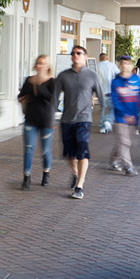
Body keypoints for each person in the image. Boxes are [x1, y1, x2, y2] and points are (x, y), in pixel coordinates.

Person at [56, 46, 105, 200]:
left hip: (84, 119)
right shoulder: (63, 76)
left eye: (79, 53)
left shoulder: (92, 76)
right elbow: (54, 98)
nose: (75, 55)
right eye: (73, 53)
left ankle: (79, 186)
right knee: (70, 155)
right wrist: (50, 116)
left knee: (82, 150)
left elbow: (101, 97)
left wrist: (104, 119)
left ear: (85, 56)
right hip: (66, 120)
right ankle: (76, 174)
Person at [17, 55, 56, 190]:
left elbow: (52, 99)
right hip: (30, 119)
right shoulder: (29, 80)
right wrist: (22, 97)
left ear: (47, 66)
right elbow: (21, 95)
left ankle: (46, 172)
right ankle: (26, 177)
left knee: (45, 150)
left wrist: (39, 87)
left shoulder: (52, 82)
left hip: (46, 120)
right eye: (38, 63)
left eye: (42, 63)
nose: (39, 66)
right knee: (28, 148)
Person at [109, 55, 140, 175]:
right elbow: (115, 101)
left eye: (127, 63)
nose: (125, 66)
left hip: (133, 117)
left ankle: (114, 160)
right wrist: (124, 114)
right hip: (120, 118)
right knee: (124, 142)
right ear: (120, 65)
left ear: (131, 65)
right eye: (122, 63)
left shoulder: (136, 79)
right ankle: (128, 167)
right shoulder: (116, 82)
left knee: (126, 142)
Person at [96, 53, 118, 132]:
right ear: (107, 58)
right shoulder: (112, 65)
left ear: (99, 58)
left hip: (100, 92)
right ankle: (108, 121)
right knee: (112, 108)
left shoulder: (96, 66)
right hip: (111, 91)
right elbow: (118, 75)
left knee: (102, 109)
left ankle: (102, 125)